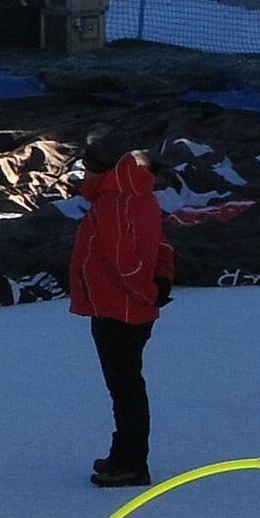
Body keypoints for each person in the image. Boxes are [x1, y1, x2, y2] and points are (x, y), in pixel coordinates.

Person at [68, 145, 173, 489]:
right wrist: (160, 282)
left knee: (126, 389)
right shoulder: (140, 195)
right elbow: (162, 244)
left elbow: (121, 261)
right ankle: (124, 454)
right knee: (127, 387)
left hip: (118, 310)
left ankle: (131, 463)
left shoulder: (112, 203)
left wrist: (145, 293)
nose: (83, 175)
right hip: (128, 308)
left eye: (86, 168)